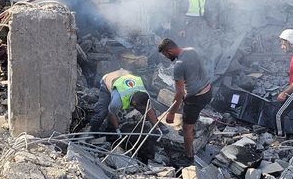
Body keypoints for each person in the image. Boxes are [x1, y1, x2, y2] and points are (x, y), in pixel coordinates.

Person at [158, 38, 212, 166]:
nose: (166, 57)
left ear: (170, 50)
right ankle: (192, 124)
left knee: (187, 128)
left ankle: (188, 158)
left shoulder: (179, 65)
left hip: (196, 98)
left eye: (165, 54)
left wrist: (171, 113)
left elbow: (180, 93)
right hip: (208, 91)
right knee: (187, 109)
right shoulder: (192, 51)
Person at [88, 69, 160, 134]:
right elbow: (111, 114)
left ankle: (158, 125)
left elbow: (149, 109)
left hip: (123, 74)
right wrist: (117, 129)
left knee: (145, 109)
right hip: (108, 81)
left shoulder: (145, 94)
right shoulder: (117, 101)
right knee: (102, 112)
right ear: (134, 103)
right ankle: (92, 131)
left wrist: (157, 128)